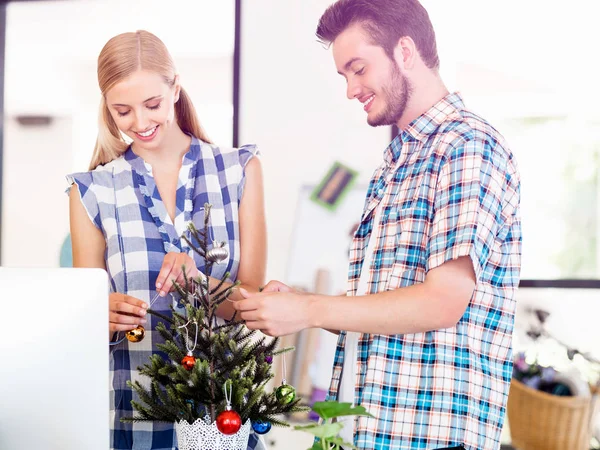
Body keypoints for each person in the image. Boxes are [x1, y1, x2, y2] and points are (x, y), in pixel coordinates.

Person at [233, 1, 522, 449]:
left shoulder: (468, 147)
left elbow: (443, 302)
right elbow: (385, 306)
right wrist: (304, 304)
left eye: (358, 68)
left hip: (432, 435)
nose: (351, 89)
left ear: (404, 52)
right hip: (376, 430)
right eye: (344, 75)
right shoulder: (396, 163)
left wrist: (310, 310)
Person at [67, 30, 266, 450]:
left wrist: (201, 285)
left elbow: (255, 305)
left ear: (175, 88)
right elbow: (83, 320)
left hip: (221, 415)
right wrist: (98, 317)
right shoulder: (91, 190)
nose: (139, 123)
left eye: (152, 104)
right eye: (122, 110)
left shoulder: (239, 171)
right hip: (134, 408)